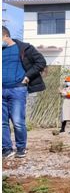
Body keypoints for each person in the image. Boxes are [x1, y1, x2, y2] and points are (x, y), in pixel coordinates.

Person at [2, 26, 46, 158]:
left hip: (18, 89)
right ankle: (6, 149)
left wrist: (27, 76)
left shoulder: (24, 48)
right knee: (2, 122)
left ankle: (21, 148)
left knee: (17, 121)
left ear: (5, 36)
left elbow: (41, 62)